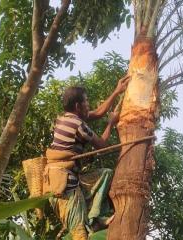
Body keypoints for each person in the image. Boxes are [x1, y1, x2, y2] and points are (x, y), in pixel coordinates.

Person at [43, 75, 130, 240]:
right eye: (86, 101)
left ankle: (97, 218)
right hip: (66, 184)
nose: (88, 104)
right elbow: (102, 146)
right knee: (79, 234)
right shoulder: (78, 125)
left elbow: (97, 113)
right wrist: (111, 123)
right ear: (78, 106)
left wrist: (117, 91)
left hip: (63, 178)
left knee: (104, 174)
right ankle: (94, 221)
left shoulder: (64, 118)